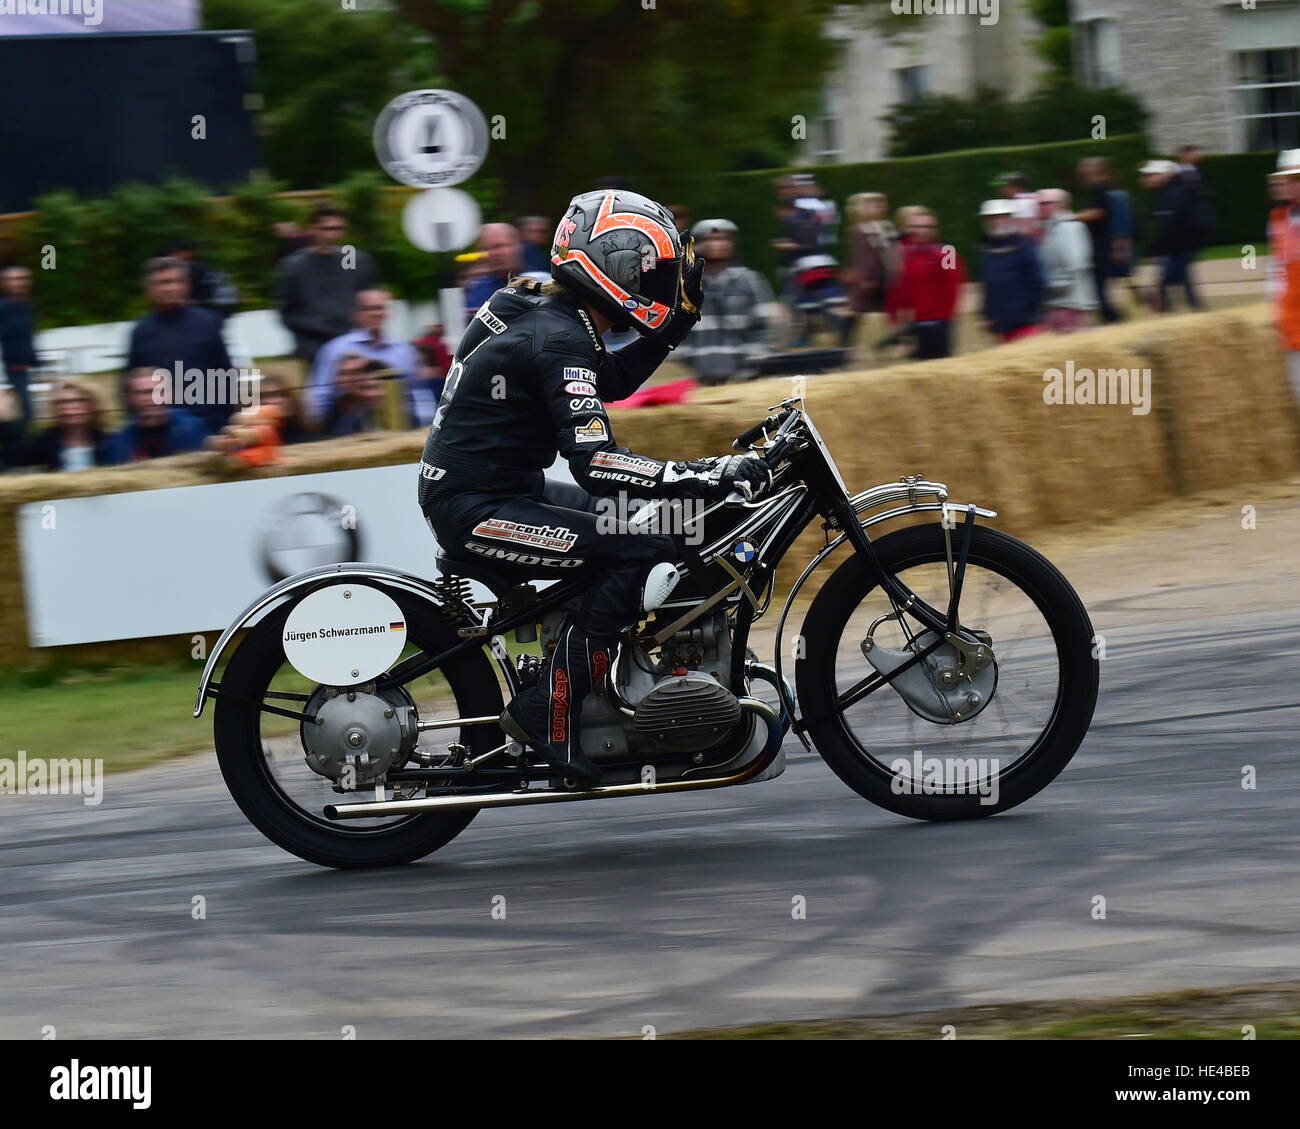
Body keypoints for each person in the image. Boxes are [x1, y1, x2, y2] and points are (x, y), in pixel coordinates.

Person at [418, 188, 770, 788]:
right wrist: (705, 472)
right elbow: (598, 465)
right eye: (652, 273)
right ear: (612, 266)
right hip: (478, 508)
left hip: (507, 490)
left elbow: (606, 380)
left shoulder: (549, 312)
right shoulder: (557, 336)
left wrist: (675, 327)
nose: (661, 285)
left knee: (660, 528)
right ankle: (550, 712)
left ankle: (629, 674)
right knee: (632, 544)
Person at [124, 257, 236, 434]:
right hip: (161, 429)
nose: (170, 288)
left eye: (177, 281)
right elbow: (130, 383)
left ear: (187, 286)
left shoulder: (208, 322)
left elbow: (226, 373)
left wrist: (227, 419)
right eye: (162, 282)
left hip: (210, 423)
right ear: (148, 289)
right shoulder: (141, 332)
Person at [304, 288, 434, 426]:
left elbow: (419, 394)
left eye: (381, 308)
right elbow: (319, 396)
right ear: (356, 314)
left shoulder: (404, 351)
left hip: (399, 425)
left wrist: (427, 426)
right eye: (370, 309)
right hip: (347, 429)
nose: (377, 313)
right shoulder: (336, 349)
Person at [674, 218, 774, 385]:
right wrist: (684, 361)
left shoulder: (750, 280)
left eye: (723, 239)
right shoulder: (682, 284)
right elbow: (673, 328)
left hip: (745, 377)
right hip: (695, 377)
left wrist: (752, 361)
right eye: (709, 239)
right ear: (696, 245)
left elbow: (766, 327)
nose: (717, 244)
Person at [276, 205, 380, 364]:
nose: (333, 235)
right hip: (314, 346)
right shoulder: (295, 265)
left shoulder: (349, 257)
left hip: (353, 342)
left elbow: (365, 294)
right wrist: (314, 331)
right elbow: (286, 311)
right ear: (312, 229)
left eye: (338, 229)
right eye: (326, 229)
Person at [884, 209, 967, 359]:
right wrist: (898, 319)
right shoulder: (906, 254)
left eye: (927, 227)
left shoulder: (947, 252)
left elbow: (954, 287)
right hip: (915, 321)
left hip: (939, 321)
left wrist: (948, 317)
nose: (922, 231)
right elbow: (903, 288)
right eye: (917, 227)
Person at [0, 377, 114, 471]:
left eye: (80, 400)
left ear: (94, 405)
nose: (71, 407)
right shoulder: (44, 443)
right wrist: (6, 419)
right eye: (63, 402)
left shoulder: (110, 442)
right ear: (55, 408)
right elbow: (9, 456)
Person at [1140, 159, 1204, 312]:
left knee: (1163, 285)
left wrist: (1155, 250)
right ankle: (1193, 310)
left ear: (1166, 174)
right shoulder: (1168, 192)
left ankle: (1168, 312)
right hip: (1178, 247)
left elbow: (1169, 226)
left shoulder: (1173, 194)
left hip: (1177, 248)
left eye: (1153, 174)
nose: (1149, 178)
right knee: (1182, 283)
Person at [108, 368, 208, 463]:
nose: (147, 398)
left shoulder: (191, 428)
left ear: (170, 394)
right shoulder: (121, 438)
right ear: (128, 398)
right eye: (138, 393)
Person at [978, 199, 1043, 343]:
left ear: (1010, 218)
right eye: (993, 217)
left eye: (1003, 216)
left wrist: (1027, 312)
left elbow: (1037, 281)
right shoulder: (987, 248)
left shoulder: (1023, 244)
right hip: (1001, 328)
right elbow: (989, 286)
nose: (998, 221)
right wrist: (987, 314)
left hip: (1025, 324)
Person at [1037, 189, 1097, 333]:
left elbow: (1077, 263)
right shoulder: (1045, 229)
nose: (1041, 207)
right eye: (1039, 204)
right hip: (1053, 302)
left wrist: (1054, 285)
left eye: (1046, 203)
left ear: (1060, 205)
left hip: (1071, 302)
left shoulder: (1071, 227)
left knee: (1071, 351)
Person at [1267, 150, 1300, 407]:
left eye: (1294, 179)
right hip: (1292, 323)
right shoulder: (1278, 218)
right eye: (1285, 180)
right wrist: (1273, 308)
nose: (1286, 185)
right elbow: (1276, 268)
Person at [1075, 157, 1122, 324]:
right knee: (1099, 285)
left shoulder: (1098, 188)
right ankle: (1110, 315)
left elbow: (1097, 212)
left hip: (1099, 245)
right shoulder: (1105, 187)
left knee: (1097, 286)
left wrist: (1075, 217)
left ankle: (1112, 316)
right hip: (1103, 243)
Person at [843, 192, 899, 327]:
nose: (881, 207)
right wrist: (865, 278)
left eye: (881, 204)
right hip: (871, 277)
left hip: (889, 274)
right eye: (875, 204)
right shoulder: (859, 230)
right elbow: (861, 256)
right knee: (865, 313)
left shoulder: (887, 227)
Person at [0, 265, 38, 431]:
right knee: (21, 414)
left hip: (24, 368)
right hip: (9, 369)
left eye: (23, 278)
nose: (20, 282)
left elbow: (26, 339)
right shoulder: (4, 308)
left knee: (26, 414)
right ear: (4, 283)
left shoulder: (27, 307)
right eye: (15, 279)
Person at [462, 223, 524, 313]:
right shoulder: (479, 288)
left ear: (518, 247)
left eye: (500, 246)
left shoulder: (539, 283)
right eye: (488, 248)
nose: (494, 253)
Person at [324, 356, 389, 436]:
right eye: (364, 388)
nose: (370, 394)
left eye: (376, 387)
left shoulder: (406, 414)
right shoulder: (347, 422)